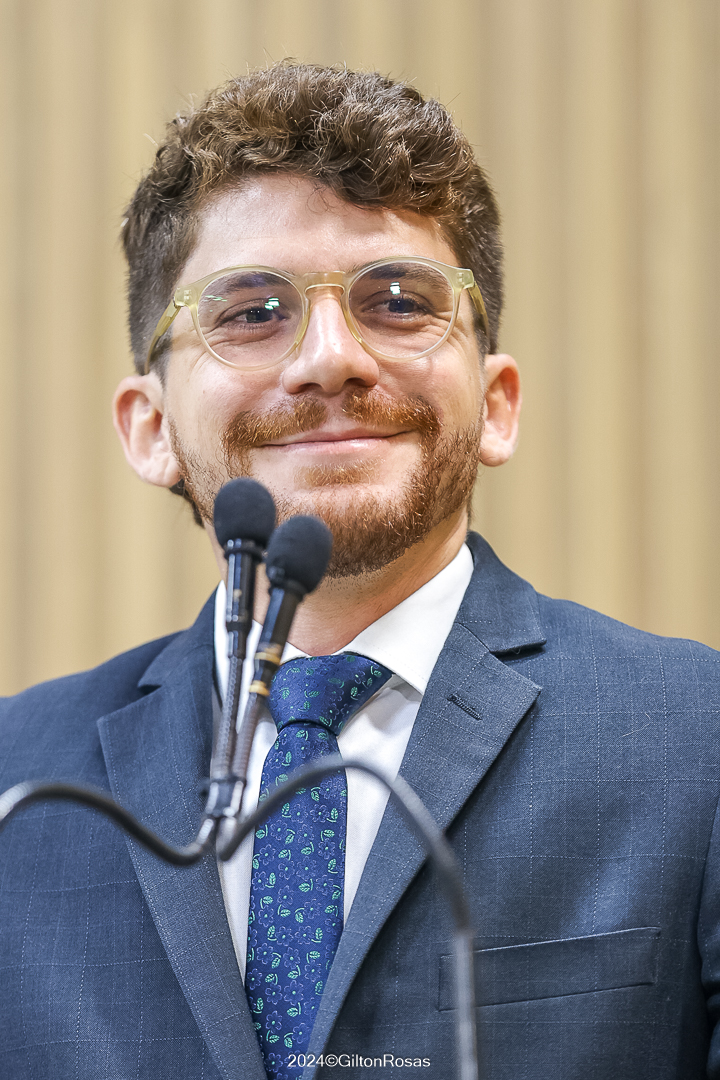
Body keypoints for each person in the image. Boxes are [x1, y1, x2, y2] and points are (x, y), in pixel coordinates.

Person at [0, 61, 719, 1080]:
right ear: (151, 428)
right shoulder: (17, 782)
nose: (330, 357)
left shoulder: (700, 742)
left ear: (497, 405)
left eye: (399, 301)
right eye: (252, 311)